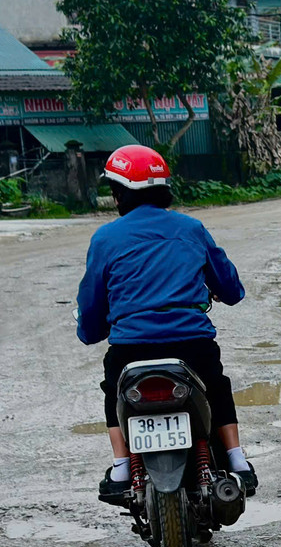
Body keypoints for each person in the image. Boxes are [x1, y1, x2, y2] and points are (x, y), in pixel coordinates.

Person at [75, 144, 257, 502]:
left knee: (114, 390)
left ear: (118, 194)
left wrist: (92, 330)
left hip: (131, 349)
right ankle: (237, 460)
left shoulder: (105, 238)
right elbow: (231, 289)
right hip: (193, 345)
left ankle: (122, 466)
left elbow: (91, 309)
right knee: (216, 386)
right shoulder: (191, 228)